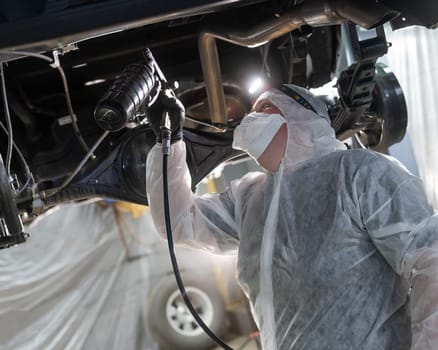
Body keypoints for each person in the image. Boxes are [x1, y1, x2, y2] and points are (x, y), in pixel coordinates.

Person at [145, 85, 438, 349]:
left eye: (264, 108)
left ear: (302, 115)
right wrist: (167, 141)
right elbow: (179, 221)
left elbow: (430, 256)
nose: (250, 119)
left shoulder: (359, 172)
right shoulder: (249, 198)